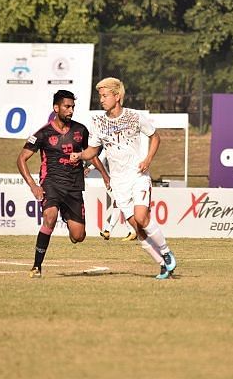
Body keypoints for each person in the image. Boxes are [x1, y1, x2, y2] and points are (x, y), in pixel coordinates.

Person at [70, 77, 177, 280]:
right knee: (137, 229)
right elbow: (93, 149)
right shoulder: (98, 122)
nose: (101, 100)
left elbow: (155, 136)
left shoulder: (134, 117)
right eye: (99, 96)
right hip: (118, 183)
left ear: (117, 96)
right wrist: (80, 155)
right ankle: (163, 265)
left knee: (141, 217)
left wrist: (148, 159)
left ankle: (166, 252)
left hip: (137, 175)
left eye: (104, 95)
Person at [17, 90, 109, 278]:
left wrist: (105, 175)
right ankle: (36, 266)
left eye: (73, 107)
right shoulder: (43, 133)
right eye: (67, 107)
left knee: (78, 236)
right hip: (51, 184)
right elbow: (21, 159)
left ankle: (68, 219)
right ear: (56, 108)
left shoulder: (80, 130)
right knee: (49, 217)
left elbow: (90, 154)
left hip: (74, 186)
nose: (71, 110)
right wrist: (33, 185)